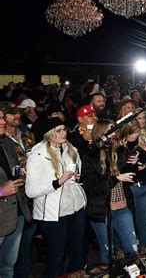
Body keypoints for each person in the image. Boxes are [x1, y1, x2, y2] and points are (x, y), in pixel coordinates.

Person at [26, 117, 87, 277]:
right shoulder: (37, 154)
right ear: (49, 134)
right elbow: (30, 191)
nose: (63, 133)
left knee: (77, 253)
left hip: (76, 207)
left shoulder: (71, 148)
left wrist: (78, 177)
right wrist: (57, 182)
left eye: (64, 129)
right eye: (58, 131)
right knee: (56, 257)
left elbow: (79, 174)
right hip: (53, 214)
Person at [82, 120, 138, 269]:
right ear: (101, 133)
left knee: (132, 250)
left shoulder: (120, 150)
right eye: (111, 130)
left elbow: (129, 177)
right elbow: (90, 187)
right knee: (107, 254)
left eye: (115, 129)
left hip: (122, 207)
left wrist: (134, 165)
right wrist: (116, 178)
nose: (115, 133)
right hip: (101, 211)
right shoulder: (90, 156)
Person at [0, 107, 32, 278]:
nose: (3, 122)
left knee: (7, 267)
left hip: (17, 212)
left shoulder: (5, 142)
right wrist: (1, 191)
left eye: (2, 118)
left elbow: (15, 170)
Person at [116, 119, 146, 253]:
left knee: (145, 223)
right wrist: (131, 164)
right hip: (130, 189)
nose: (134, 135)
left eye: (136, 131)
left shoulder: (144, 142)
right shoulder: (118, 147)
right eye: (131, 132)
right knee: (128, 224)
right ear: (124, 132)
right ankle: (128, 255)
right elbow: (118, 170)